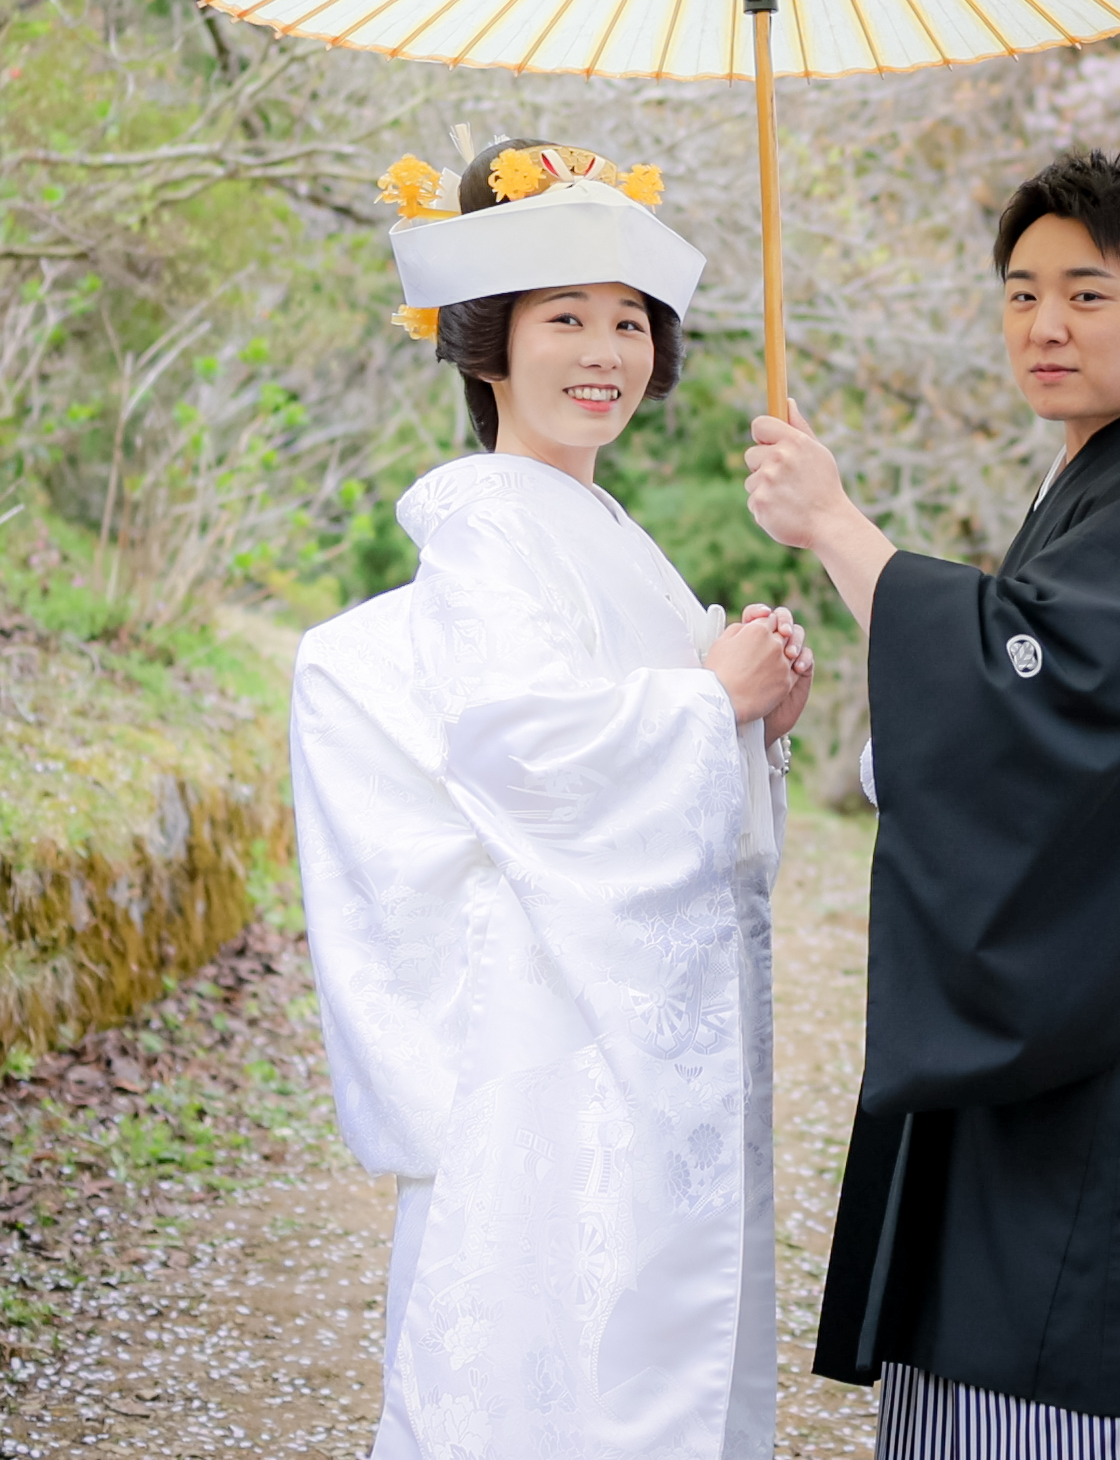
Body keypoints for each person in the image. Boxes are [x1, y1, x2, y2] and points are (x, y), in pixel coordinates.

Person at [745, 149, 1120, 1454]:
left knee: (1069, 1375)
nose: (1044, 324)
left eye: (1088, 295)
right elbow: (1002, 682)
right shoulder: (1102, 487)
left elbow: (1018, 694)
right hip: (1081, 1047)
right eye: (1020, 292)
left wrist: (836, 525)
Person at [289, 139, 812, 1460]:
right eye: (566, 317)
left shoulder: (599, 526)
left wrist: (757, 719)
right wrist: (707, 706)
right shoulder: (488, 518)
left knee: (630, 1327)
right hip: (548, 1018)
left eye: (630, 321)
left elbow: (662, 761)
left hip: (624, 1003)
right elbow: (518, 746)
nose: (606, 352)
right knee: (552, 1339)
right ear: (487, 349)